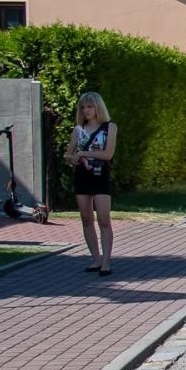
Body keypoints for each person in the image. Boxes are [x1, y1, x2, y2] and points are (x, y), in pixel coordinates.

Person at [65, 91, 116, 276]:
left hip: (100, 175)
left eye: (90, 106)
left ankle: (107, 261)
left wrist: (84, 154)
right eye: (83, 107)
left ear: (98, 108)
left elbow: (108, 154)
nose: (86, 110)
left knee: (104, 218)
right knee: (86, 219)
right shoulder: (78, 130)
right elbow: (68, 155)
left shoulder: (109, 127)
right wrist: (75, 158)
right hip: (82, 176)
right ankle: (96, 258)